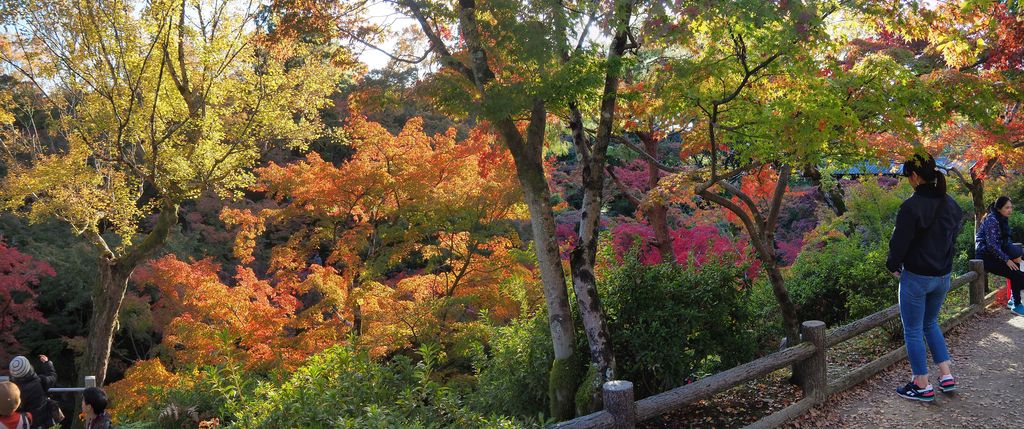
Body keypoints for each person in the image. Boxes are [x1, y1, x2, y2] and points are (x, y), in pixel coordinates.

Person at [886, 152, 964, 401]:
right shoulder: (951, 204)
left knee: (912, 330)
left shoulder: (911, 206)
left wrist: (893, 264)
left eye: (908, 176)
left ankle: (921, 384)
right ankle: (946, 375)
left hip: (917, 277)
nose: (908, 180)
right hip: (942, 276)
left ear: (916, 176)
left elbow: (899, 243)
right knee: (930, 324)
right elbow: (952, 239)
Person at [975, 196, 1024, 314]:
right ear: (998, 208)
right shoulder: (992, 220)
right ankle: (1016, 305)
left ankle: (1013, 299)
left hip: (996, 253)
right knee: (1017, 274)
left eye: (1011, 207)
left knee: (1019, 266)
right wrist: (1007, 259)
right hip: (985, 256)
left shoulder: (1002, 218)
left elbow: (1005, 241)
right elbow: (992, 245)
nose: (1010, 210)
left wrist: (1015, 255)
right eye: (1007, 207)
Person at [8, 356, 56, 429]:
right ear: (29, 368)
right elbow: (52, 376)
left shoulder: (12, 389)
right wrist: (47, 363)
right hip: (41, 422)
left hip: (22, 423)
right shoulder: (40, 381)